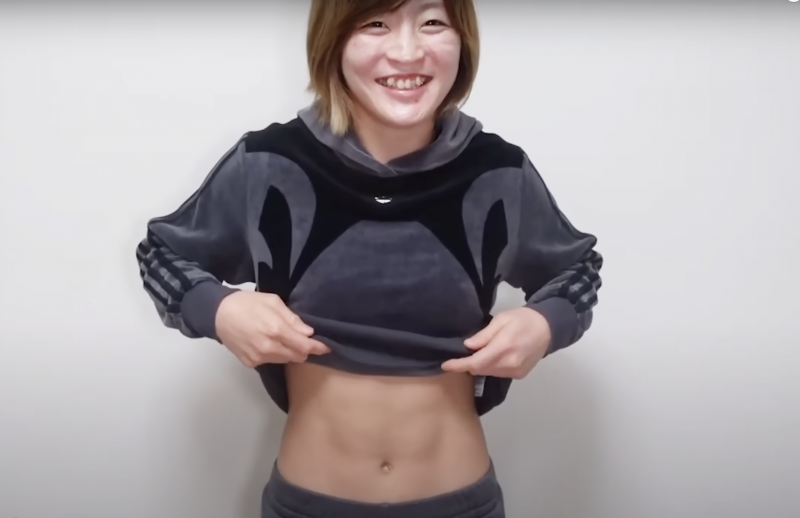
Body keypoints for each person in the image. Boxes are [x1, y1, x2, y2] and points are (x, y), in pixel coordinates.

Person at [135, 0, 603, 516]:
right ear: (333, 41)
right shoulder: (267, 162)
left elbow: (577, 268)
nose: (407, 51)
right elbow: (162, 254)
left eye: (432, 22)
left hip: (462, 503)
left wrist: (545, 323)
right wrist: (219, 309)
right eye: (375, 23)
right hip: (307, 505)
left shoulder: (501, 172)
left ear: (463, 41)